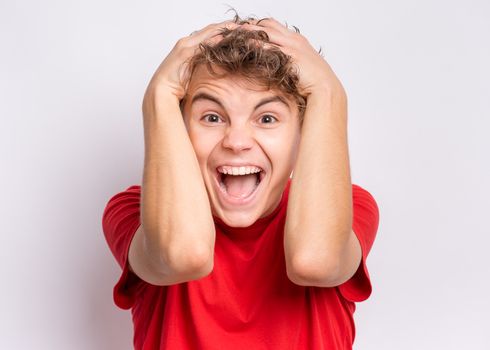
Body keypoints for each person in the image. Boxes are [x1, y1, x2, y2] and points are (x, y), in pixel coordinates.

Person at [102, 14, 379, 350]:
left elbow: (315, 261)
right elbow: (181, 256)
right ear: (178, 129)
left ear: (302, 133)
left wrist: (328, 93)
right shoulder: (134, 210)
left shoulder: (350, 206)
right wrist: (159, 96)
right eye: (212, 117)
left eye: (267, 118)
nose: (237, 141)